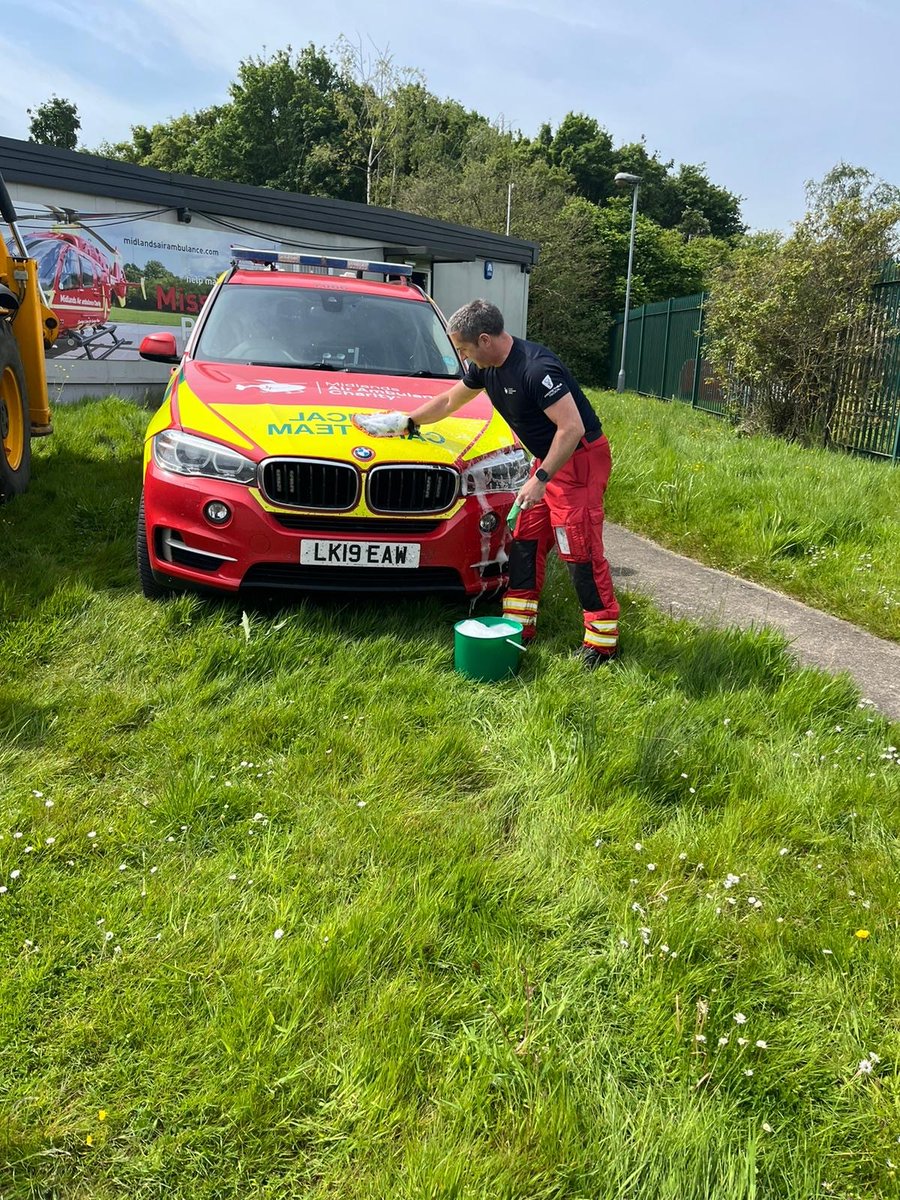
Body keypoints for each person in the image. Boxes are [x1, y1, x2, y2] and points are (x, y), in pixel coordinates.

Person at [357, 299, 619, 667]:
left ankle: (601, 643)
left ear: (484, 340)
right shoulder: (485, 368)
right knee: (526, 536)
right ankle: (519, 625)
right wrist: (407, 422)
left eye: (463, 349)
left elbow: (572, 429)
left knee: (578, 548)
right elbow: (450, 400)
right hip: (550, 459)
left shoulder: (535, 368)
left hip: (579, 460)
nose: (463, 358)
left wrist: (540, 479)